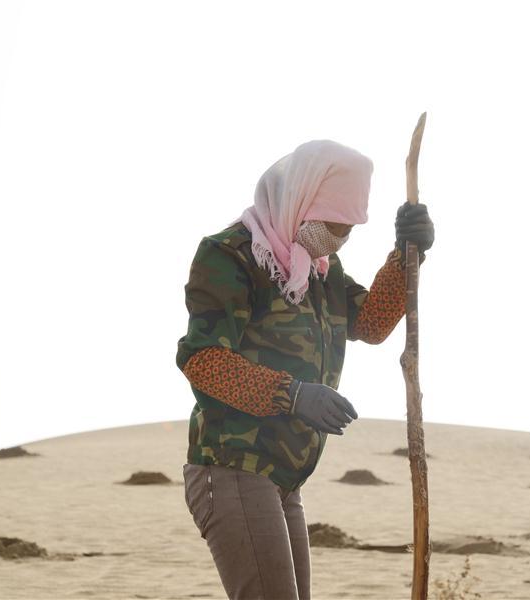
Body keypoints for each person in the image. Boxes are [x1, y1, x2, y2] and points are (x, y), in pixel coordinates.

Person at [175, 139, 434, 600]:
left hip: (285, 478)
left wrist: (407, 254)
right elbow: (203, 361)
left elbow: (371, 323)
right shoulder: (229, 256)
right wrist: (293, 395)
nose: (339, 239)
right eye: (332, 224)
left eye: (349, 229)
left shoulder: (318, 270)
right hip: (233, 466)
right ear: (301, 201)